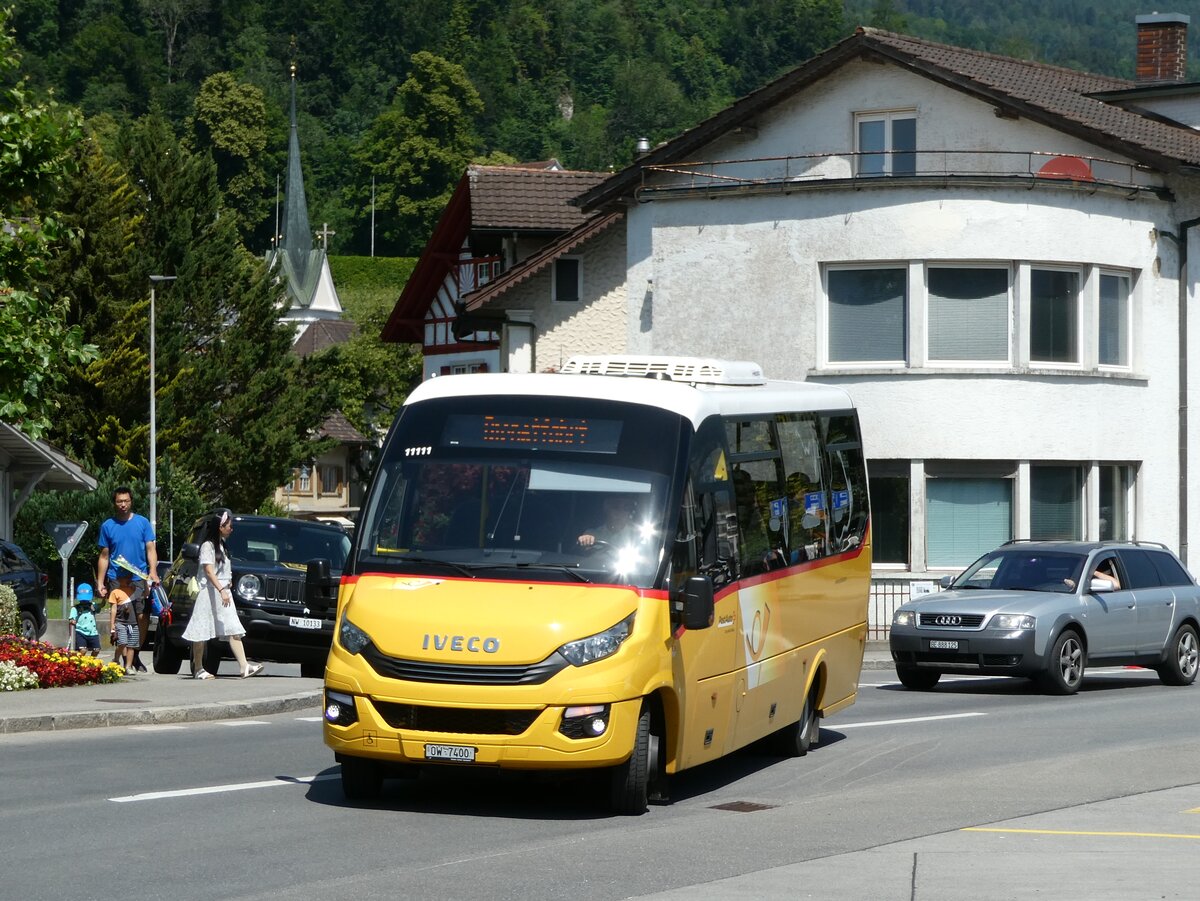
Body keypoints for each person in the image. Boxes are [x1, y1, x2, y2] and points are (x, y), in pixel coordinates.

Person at [182, 508, 263, 680]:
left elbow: (221, 570)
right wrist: (221, 589)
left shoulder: (222, 546)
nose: (231, 528)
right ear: (220, 527)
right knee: (201, 630)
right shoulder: (207, 546)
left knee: (233, 627)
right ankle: (198, 668)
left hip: (223, 593)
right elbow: (209, 571)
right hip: (210, 593)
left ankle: (244, 666)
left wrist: (228, 583)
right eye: (228, 525)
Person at [96, 486, 159, 673]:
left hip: (138, 577)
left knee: (141, 616)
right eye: (119, 501)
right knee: (122, 618)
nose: (123, 504)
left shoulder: (142, 523)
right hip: (117, 578)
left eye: (126, 501)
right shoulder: (108, 526)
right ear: (115, 503)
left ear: (131, 501)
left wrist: (153, 571)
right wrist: (100, 583)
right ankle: (125, 657)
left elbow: (150, 549)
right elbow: (104, 555)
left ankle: (135, 652)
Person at [107, 572, 138, 674]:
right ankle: (116, 658)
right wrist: (112, 624)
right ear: (119, 580)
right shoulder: (115, 592)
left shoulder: (134, 590)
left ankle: (128, 666)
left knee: (132, 645)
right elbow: (114, 609)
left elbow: (145, 593)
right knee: (122, 642)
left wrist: (145, 583)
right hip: (120, 622)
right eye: (125, 578)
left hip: (133, 622)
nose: (128, 579)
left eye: (129, 578)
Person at [69, 583, 101, 657]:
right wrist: (72, 620)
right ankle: (79, 662)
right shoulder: (76, 608)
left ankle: (91, 662)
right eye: (82, 600)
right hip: (81, 632)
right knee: (83, 650)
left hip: (93, 632)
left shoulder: (93, 605)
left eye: (86, 599)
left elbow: (99, 608)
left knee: (96, 649)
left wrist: (97, 605)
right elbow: (71, 618)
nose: (84, 602)